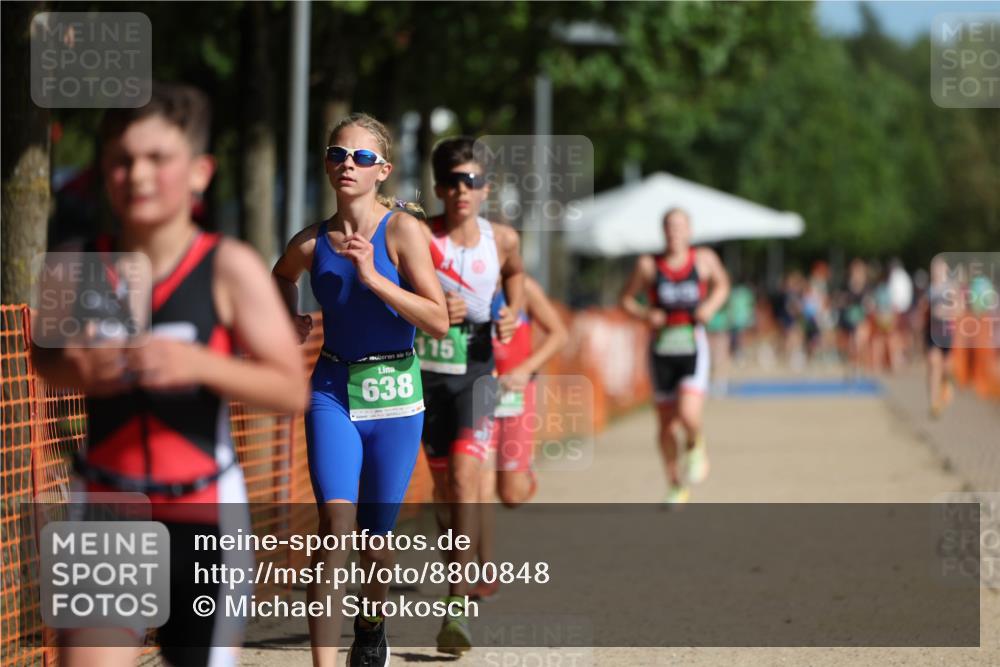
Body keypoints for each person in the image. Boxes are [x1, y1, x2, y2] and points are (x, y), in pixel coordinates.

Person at [32, 83, 309, 667]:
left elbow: (290, 389)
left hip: (205, 512)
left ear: (200, 172)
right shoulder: (75, 265)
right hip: (107, 505)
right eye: (122, 160)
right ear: (105, 171)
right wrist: (77, 367)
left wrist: (201, 363)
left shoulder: (227, 267)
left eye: (158, 158)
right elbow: (43, 362)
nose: (138, 175)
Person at [272, 113, 448, 667]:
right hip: (332, 389)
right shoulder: (312, 240)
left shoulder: (403, 232)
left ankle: (371, 624)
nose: (347, 163)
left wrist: (374, 277)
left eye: (361, 157)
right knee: (335, 528)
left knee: (376, 541)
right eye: (337, 154)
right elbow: (279, 275)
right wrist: (290, 315)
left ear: (383, 171)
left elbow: (439, 320)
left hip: (396, 395)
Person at [416, 136, 524, 654]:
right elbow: (391, 288)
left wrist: (512, 313)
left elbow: (517, 277)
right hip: (428, 372)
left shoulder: (501, 239)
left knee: (464, 476)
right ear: (439, 188)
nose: (463, 190)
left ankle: (456, 606)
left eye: (473, 181)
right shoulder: (416, 237)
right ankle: (463, 565)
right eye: (453, 181)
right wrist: (431, 304)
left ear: (486, 189)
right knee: (444, 493)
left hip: (479, 368)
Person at [619, 208, 729, 505]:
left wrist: (710, 307)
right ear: (663, 231)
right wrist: (646, 314)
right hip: (661, 349)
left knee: (688, 414)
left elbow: (722, 285)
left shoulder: (703, 260)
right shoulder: (648, 265)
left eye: (680, 226)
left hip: (692, 345)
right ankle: (675, 484)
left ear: (689, 231)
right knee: (666, 425)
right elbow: (625, 299)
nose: (674, 232)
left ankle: (695, 444)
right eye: (669, 226)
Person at [472, 274, 568, 600]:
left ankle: (524, 473)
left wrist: (527, 368)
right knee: (481, 487)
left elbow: (558, 333)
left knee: (511, 495)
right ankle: (487, 572)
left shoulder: (524, 288)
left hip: (516, 393)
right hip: (478, 393)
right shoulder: (466, 283)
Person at [921, 256, 960, 418]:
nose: (936, 271)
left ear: (945, 270)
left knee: (945, 368)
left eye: (939, 268)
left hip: (947, 333)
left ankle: (947, 383)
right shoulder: (929, 289)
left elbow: (959, 310)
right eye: (933, 268)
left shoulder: (951, 288)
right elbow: (922, 311)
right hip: (931, 333)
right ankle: (933, 402)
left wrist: (945, 312)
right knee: (933, 362)